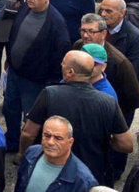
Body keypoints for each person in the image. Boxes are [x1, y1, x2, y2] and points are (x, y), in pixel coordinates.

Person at [18, 51, 133, 186]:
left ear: (70, 72)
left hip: (53, 168)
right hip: (93, 174)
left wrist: (22, 155)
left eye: (63, 64)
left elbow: (28, 134)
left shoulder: (49, 94)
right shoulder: (108, 102)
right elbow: (126, 145)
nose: (61, 65)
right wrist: (103, 139)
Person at [3, 0, 71, 152]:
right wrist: (9, 58)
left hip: (35, 82)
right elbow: (14, 33)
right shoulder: (26, 8)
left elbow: (59, 58)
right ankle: (11, 141)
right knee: (9, 108)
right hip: (14, 73)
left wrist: (49, 84)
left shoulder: (56, 24)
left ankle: (29, 150)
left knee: (31, 118)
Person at [100, 0, 139, 82]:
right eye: (102, 10)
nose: (103, 14)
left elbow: (133, 71)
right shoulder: (98, 28)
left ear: (122, 13)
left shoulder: (134, 36)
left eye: (109, 11)